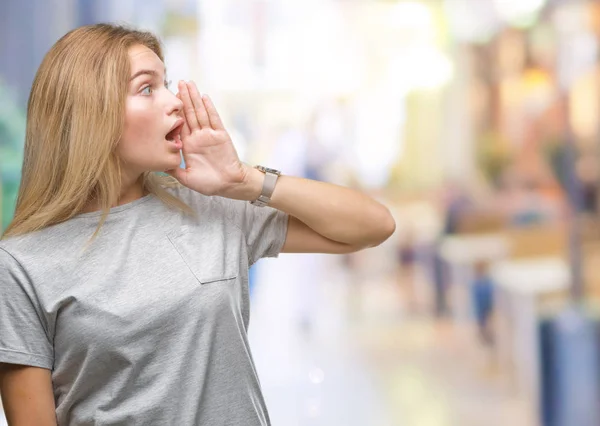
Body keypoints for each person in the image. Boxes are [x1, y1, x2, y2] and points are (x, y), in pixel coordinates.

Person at [0, 24, 395, 426]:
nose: (175, 102)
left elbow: (373, 226)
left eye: (166, 83)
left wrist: (244, 179)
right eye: (147, 88)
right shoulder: (21, 264)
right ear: (89, 110)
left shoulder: (211, 207)